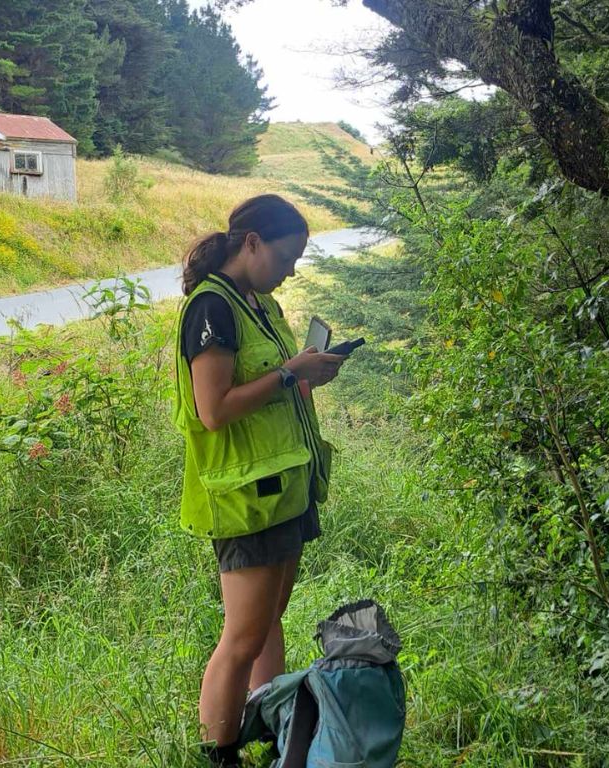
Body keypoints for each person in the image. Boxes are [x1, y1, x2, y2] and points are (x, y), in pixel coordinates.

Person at [172, 194, 345, 767]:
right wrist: (290, 372)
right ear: (251, 243)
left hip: (283, 491)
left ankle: (275, 731)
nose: (291, 269)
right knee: (242, 638)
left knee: (270, 623)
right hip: (244, 499)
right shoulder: (212, 308)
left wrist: (303, 375)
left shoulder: (257, 302)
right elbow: (214, 409)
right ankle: (218, 753)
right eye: (287, 256)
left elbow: (271, 384)